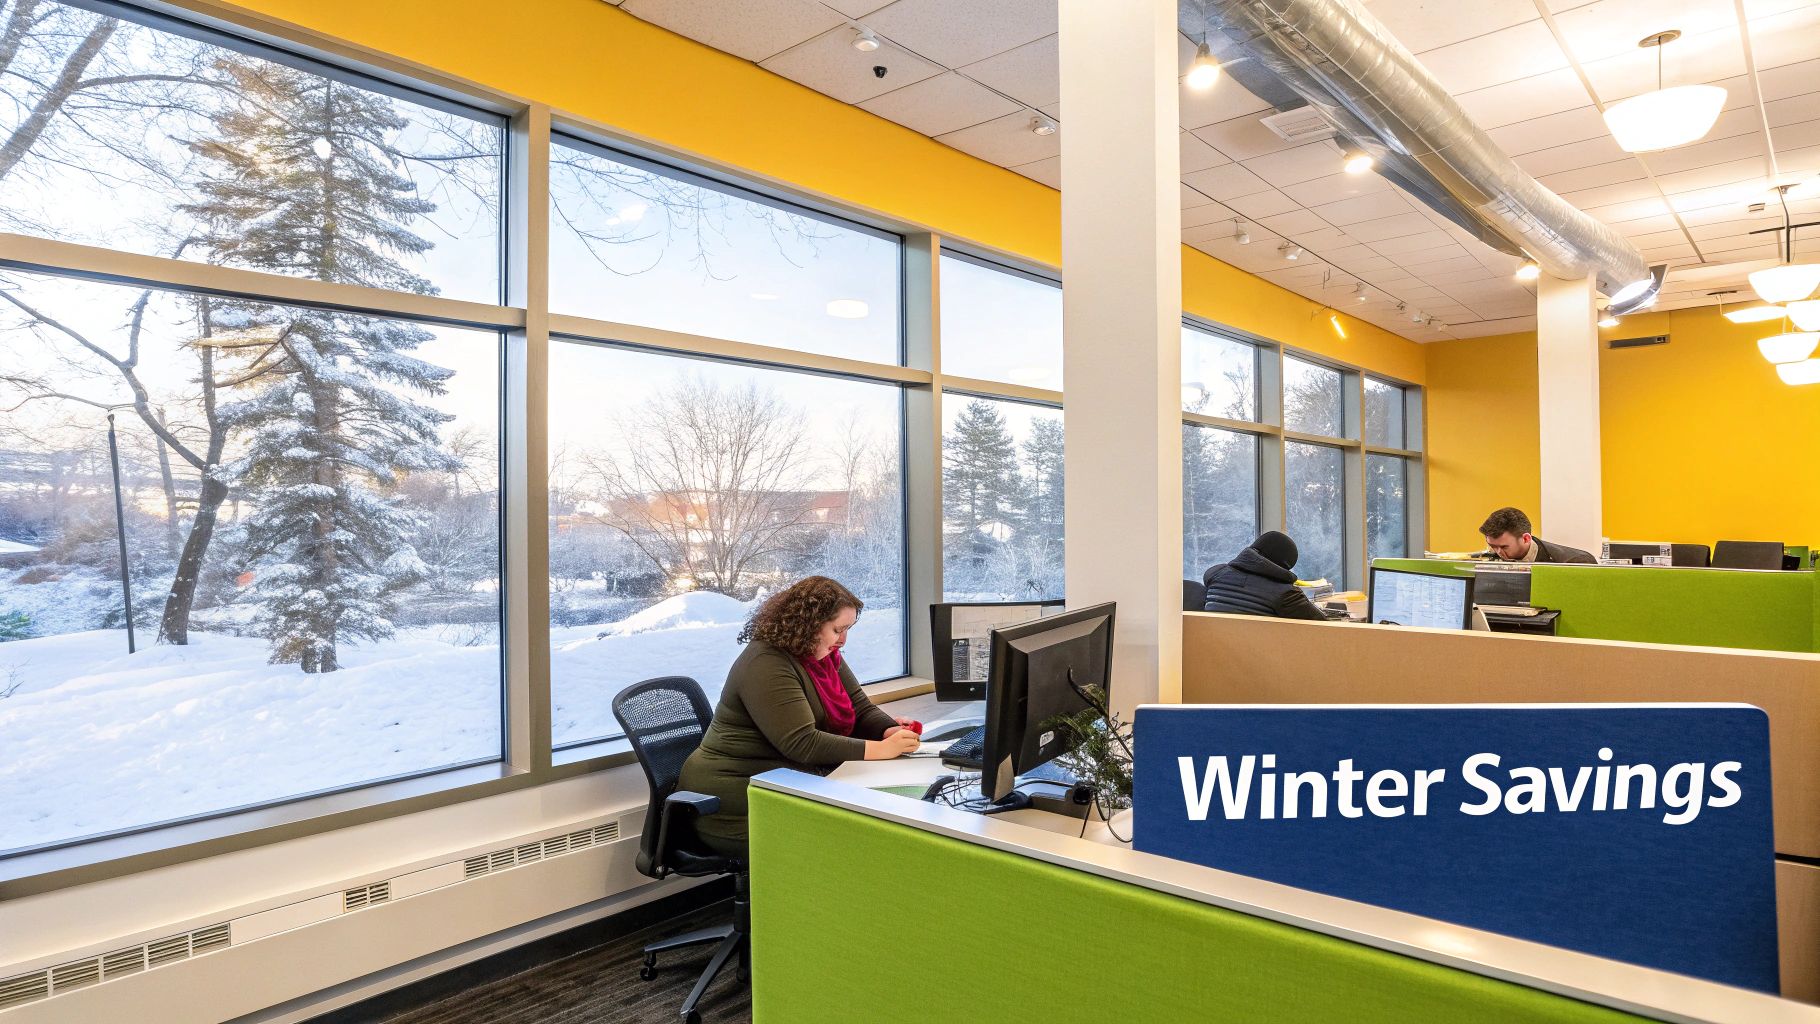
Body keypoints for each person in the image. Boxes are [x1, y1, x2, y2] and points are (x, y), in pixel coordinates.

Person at [678, 576, 920, 858]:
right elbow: (802, 743)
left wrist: (888, 731)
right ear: (809, 625)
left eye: (848, 629)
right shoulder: (766, 663)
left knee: (875, 821)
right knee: (854, 837)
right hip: (734, 799)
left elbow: (860, 708)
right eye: (837, 629)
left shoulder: (823, 656)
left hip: (784, 783)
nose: (843, 639)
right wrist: (880, 750)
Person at [1201, 530, 1329, 621]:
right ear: (1284, 566)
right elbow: (1324, 627)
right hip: (1262, 654)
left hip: (1213, 651)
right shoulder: (1286, 594)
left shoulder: (1215, 574)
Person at [1478, 507, 1596, 564]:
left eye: (1504, 547)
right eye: (1492, 546)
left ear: (1526, 539)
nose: (1498, 552)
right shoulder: (1487, 559)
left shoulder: (1576, 562)